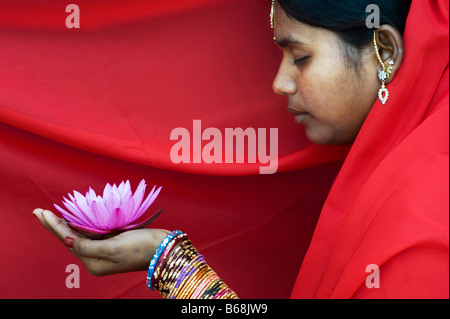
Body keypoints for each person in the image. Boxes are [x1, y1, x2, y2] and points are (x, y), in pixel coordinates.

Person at [33, 0, 449, 299]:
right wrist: (166, 260)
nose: (280, 83)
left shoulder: (423, 229)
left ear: (386, 52)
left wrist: (171, 266)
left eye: (300, 57)